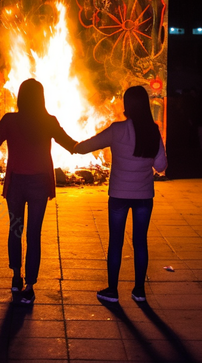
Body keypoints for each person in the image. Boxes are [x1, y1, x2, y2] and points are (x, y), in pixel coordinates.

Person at [0, 78, 78, 305]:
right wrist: (105, 142)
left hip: (16, 185)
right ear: (41, 98)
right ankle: (29, 286)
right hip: (39, 184)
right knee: (34, 234)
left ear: (20, 98)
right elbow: (71, 145)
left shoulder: (10, 120)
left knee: (15, 230)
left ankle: (16, 277)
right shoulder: (49, 121)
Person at [71, 86, 167, 303]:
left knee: (116, 241)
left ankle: (112, 291)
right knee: (140, 242)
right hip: (144, 196)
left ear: (127, 105)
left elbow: (88, 146)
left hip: (119, 196)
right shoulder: (153, 131)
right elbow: (161, 166)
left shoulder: (117, 129)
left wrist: (73, 146)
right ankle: (139, 291)